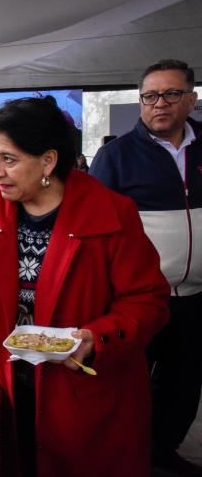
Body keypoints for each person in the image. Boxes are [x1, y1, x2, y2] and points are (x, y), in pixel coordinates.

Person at [0, 97, 169, 477]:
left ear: (48, 161)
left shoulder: (111, 212)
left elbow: (149, 301)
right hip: (10, 377)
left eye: (10, 159)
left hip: (81, 387)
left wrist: (95, 339)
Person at [89, 59, 201, 476]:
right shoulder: (116, 155)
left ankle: (161, 454)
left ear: (191, 99)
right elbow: (94, 229)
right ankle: (121, 456)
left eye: (172, 94)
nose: (160, 104)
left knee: (183, 385)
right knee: (125, 385)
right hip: (137, 300)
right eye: (150, 96)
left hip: (196, 298)